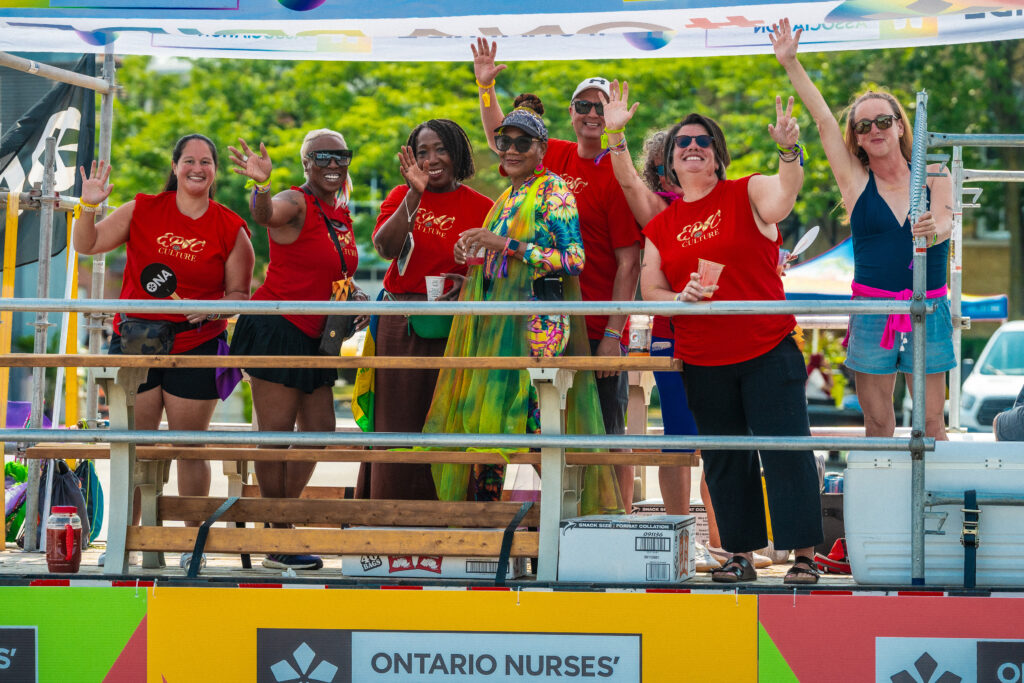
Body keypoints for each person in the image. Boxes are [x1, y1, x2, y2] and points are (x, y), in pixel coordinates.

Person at [639, 100, 824, 584]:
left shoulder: (749, 191)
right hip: (703, 358)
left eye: (703, 142)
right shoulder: (660, 226)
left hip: (767, 347)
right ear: (671, 163)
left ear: (718, 156)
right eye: (684, 143)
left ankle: (802, 555)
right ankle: (740, 554)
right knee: (725, 459)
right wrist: (680, 296)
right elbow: (649, 290)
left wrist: (789, 151)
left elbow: (785, 196)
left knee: (786, 452)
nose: (693, 147)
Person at [424, 94, 621, 515]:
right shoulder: (509, 195)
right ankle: (486, 530)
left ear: (541, 150)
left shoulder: (555, 191)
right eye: (504, 141)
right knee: (489, 429)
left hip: (537, 335)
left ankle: (567, 526)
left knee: (533, 435)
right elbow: (504, 258)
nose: (511, 150)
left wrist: (504, 244)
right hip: (498, 331)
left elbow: (573, 260)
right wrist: (475, 263)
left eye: (521, 142)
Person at [472, 40, 642, 509]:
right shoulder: (554, 159)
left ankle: (615, 524)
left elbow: (628, 262)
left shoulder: (617, 173)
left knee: (605, 435)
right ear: (570, 113)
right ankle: (565, 518)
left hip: (594, 324)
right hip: (541, 322)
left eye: (601, 106)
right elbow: (503, 140)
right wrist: (485, 89)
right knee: (542, 430)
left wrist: (614, 331)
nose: (592, 113)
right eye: (584, 105)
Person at [74, 134, 255, 571]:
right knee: (135, 448)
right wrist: (89, 206)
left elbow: (240, 296)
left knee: (189, 448)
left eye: (206, 161)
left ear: (215, 170)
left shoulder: (231, 226)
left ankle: (193, 546)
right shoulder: (142, 208)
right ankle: (124, 542)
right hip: (136, 343)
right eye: (189, 160)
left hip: (197, 347)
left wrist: (211, 307)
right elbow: (87, 244)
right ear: (175, 167)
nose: (198, 167)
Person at [772, 18, 954, 441]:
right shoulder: (856, 183)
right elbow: (822, 121)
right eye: (864, 125)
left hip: (929, 307)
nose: (875, 130)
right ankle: (886, 507)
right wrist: (791, 64)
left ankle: (934, 508)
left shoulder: (935, 171)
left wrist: (933, 229)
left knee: (930, 424)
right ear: (856, 136)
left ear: (901, 125)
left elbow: (946, 218)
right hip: (873, 311)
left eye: (884, 121)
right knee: (878, 424)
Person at [228, 128, 366, 570]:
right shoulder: (297, 200)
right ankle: (279, 533)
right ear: (306, 163)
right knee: (276, 435)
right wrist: (261, 186)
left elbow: (329, 270)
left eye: (340, 155)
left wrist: (352, 297)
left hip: (315, 335)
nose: (332, 163)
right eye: (321, 156)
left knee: (321, 429)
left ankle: (280, 520)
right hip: (277, 327)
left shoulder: (339, 213)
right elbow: (267, 214)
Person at [354, 119, 493, 500]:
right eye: (422, 152)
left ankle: (446, 524)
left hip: (455, 330)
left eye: (440, 149)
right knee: (395, 427)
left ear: (457, 153)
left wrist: (470, 286)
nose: (432, 159)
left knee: (448, 425)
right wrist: (413, 196)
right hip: (399, 325)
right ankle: (388, 522)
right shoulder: (401, 194)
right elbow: (385, 248)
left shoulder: (484, 207)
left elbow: (494, 273)